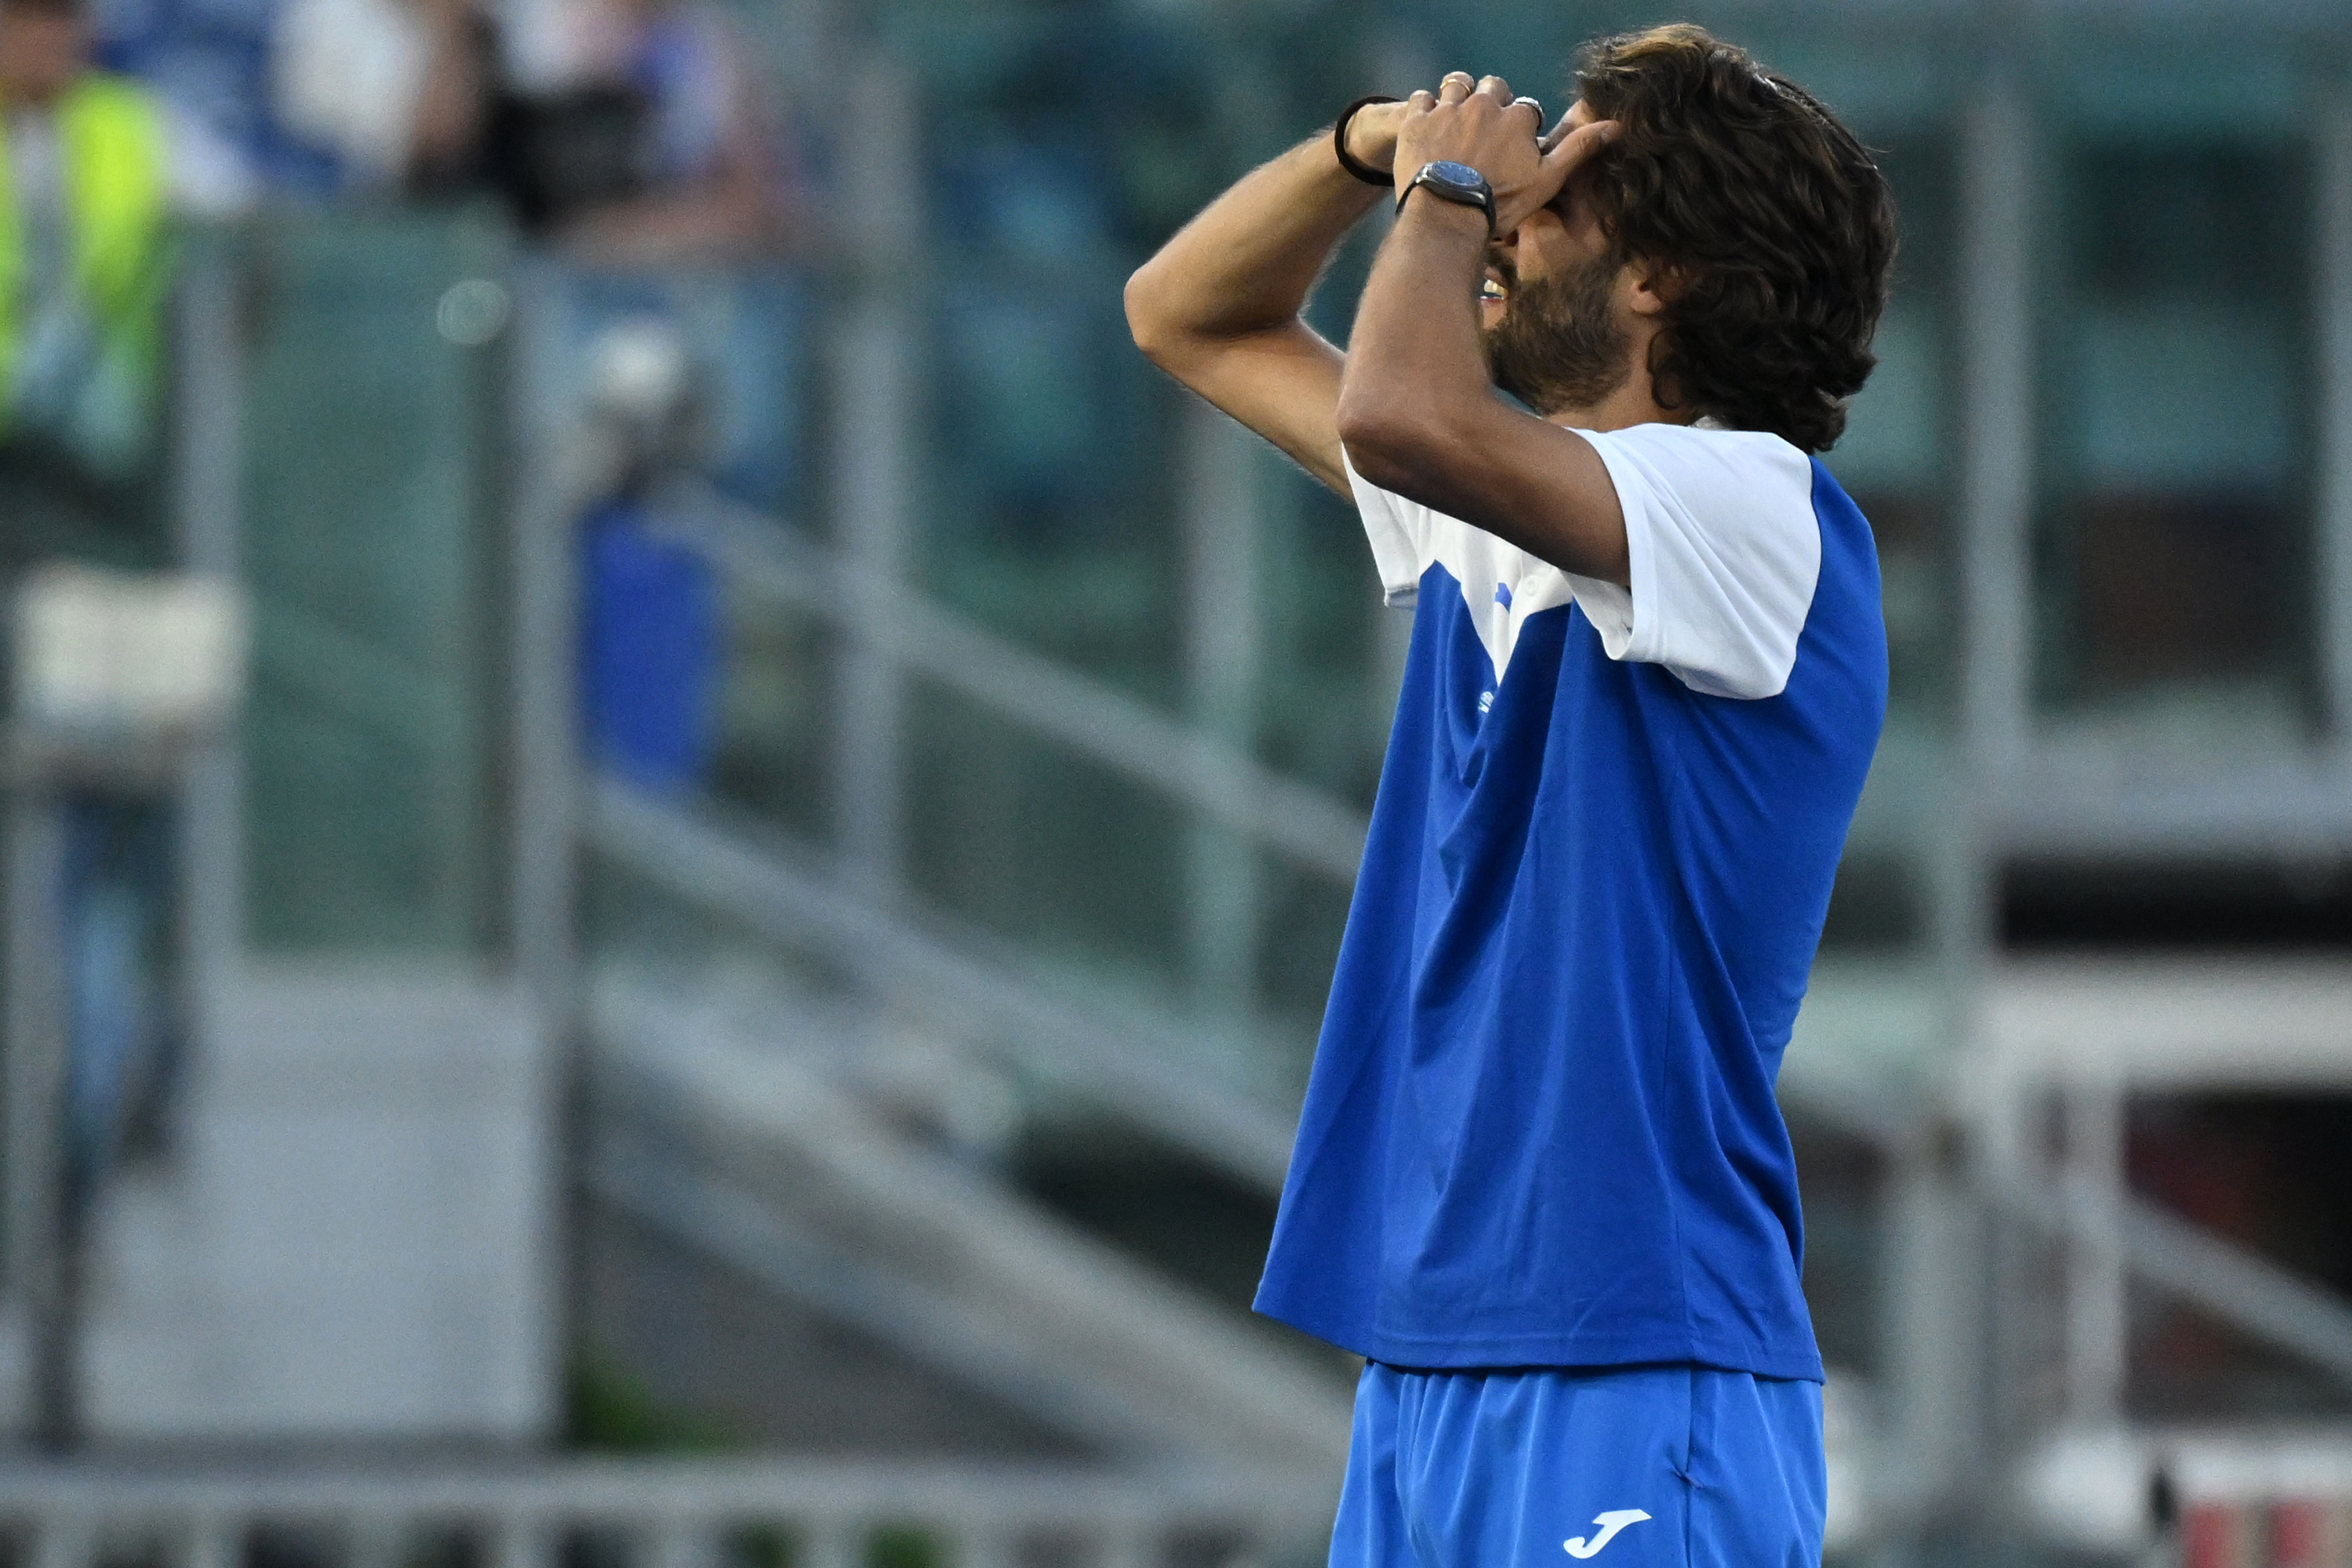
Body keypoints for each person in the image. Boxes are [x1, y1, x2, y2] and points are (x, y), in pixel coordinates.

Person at [1125, 24, 1893, 1568]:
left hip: (1638, 1346)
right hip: (1440, 1348)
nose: (1512, 214)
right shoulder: (1519, 511)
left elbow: (1400, 413)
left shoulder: (1754, 505)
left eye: (1563, 190)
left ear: (1663, 274)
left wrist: (1447, 189)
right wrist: (1370, 145)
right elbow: (1187, 315)